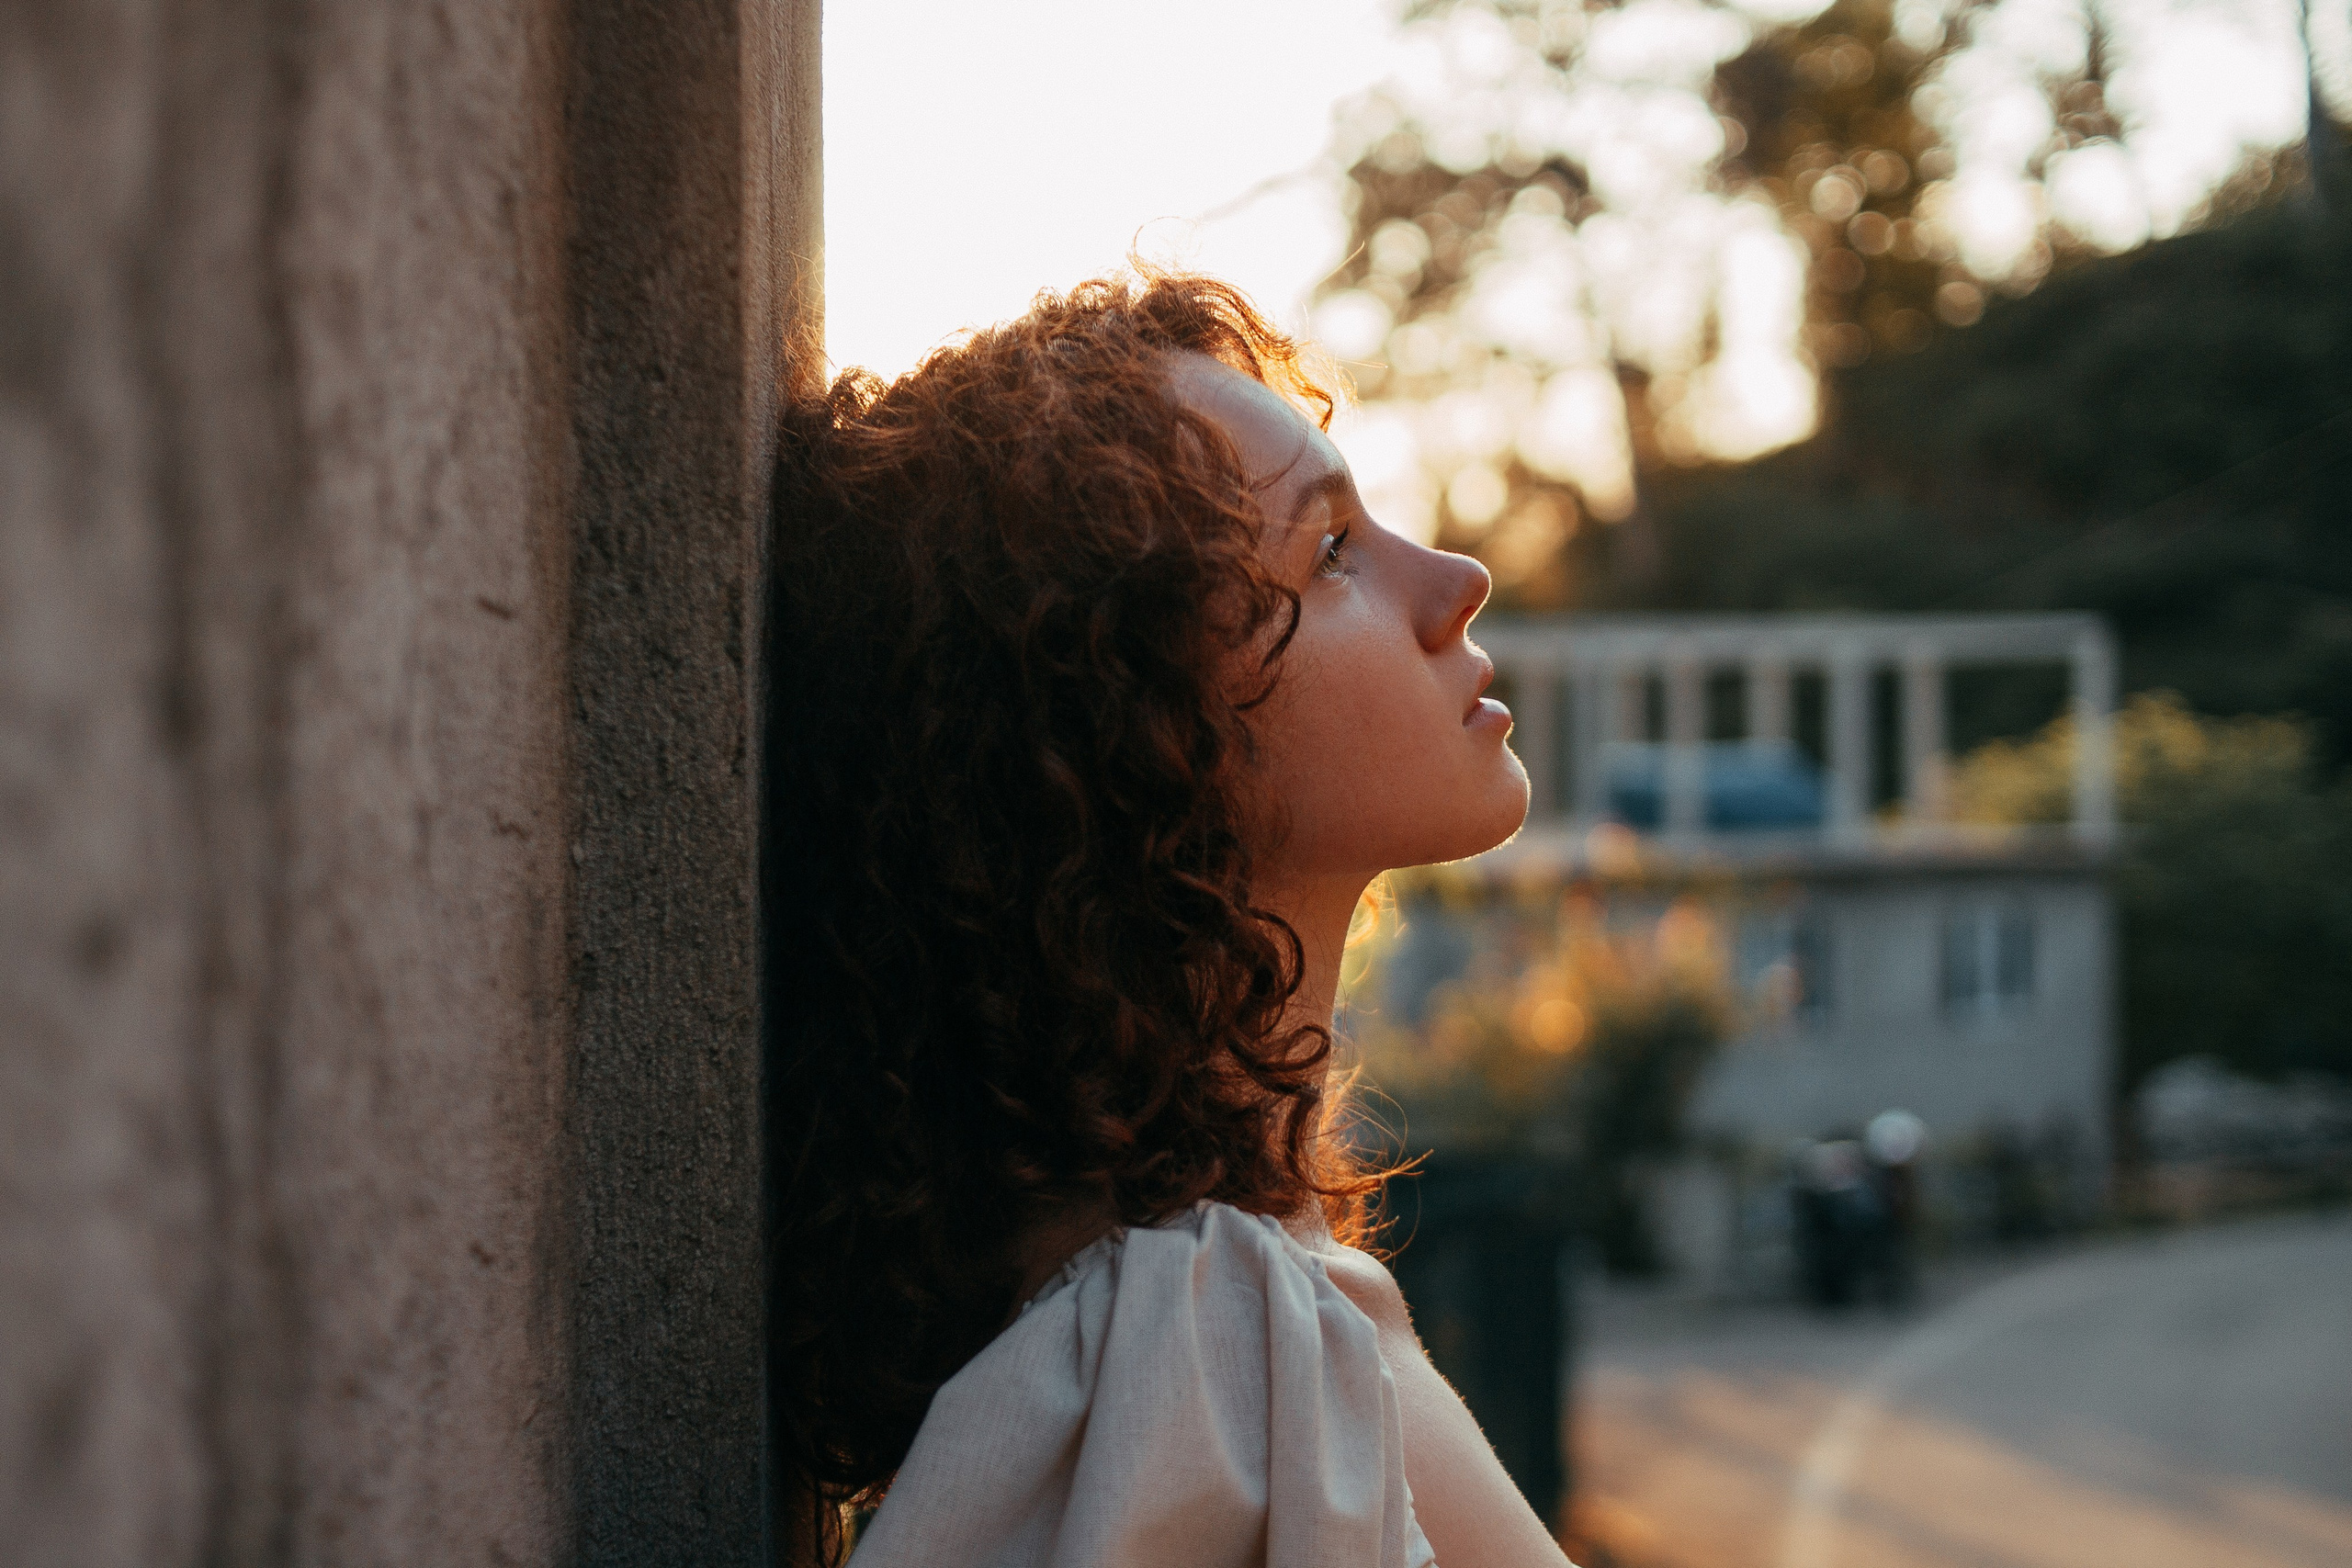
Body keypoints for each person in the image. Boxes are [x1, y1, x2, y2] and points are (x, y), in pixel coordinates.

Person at [763, 268, 1572, 1568]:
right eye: (1333, 553)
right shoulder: (1178, 1380)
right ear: (1132, 739)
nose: (1458, 580)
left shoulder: (1249, 1326)